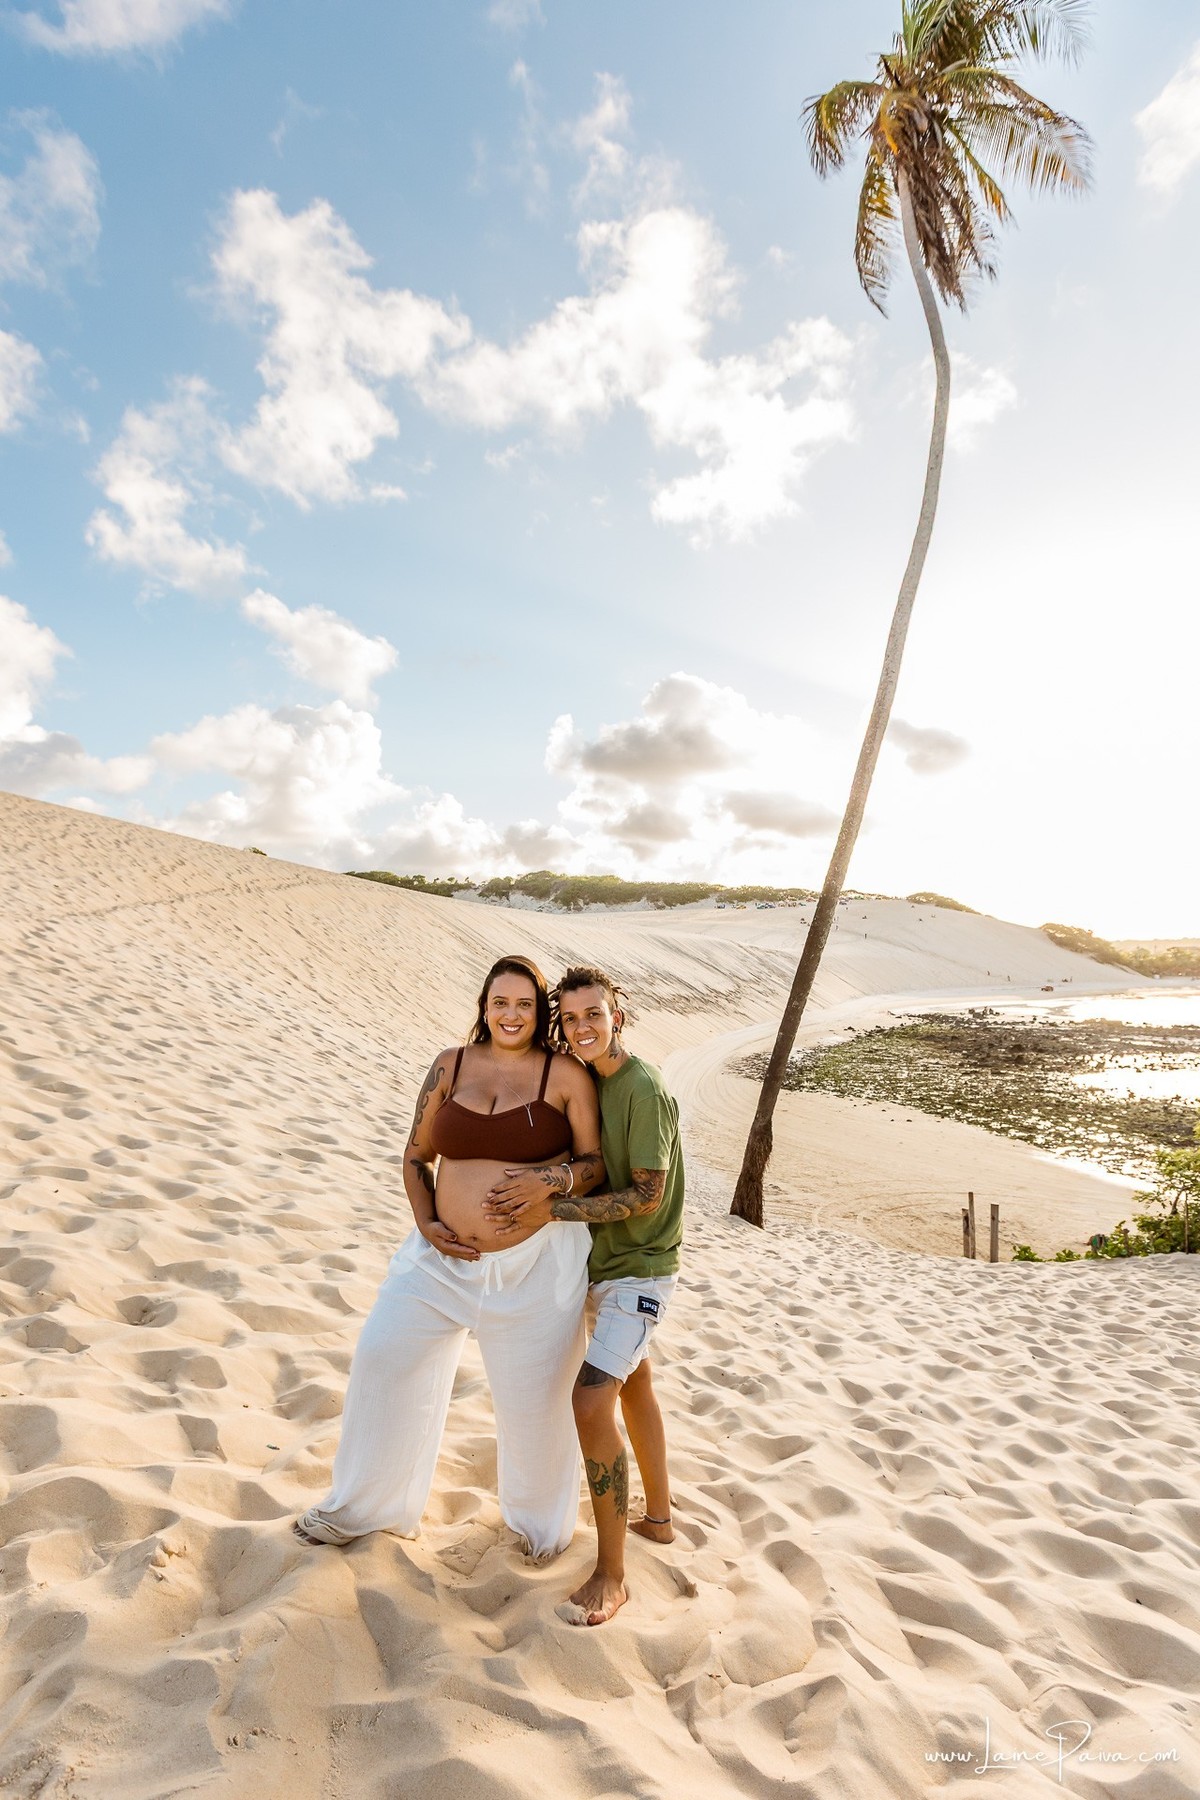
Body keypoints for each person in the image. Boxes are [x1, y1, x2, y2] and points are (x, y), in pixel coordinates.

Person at [294, 954, 605, 1560]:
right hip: (437, 1262)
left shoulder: (565, 1076)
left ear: (538, 1013)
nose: (510, 1015)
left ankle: (538, 1528)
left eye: (523, 1005)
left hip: (534, 1267)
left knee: (535, 1402)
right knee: (385, 1358)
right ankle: (363, 1507)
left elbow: (594, 1165)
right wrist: (428, 1223)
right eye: (499, 1003)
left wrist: (552, 1182)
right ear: (483, 1008)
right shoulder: (449, 1066)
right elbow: (415, 1158)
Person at [484, 964, 684, 1626]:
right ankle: (658, 1517)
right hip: (608, 1265)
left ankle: (612, 1573)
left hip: (641, 1271)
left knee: (591, 1398)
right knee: (635, 1385)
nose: (582, 1027)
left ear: (617, 1017)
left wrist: (554, 1209)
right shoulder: (593, 1081)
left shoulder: (641, 1088)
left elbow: (647, 1195)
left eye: (593, 1014)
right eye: (570, 1019)